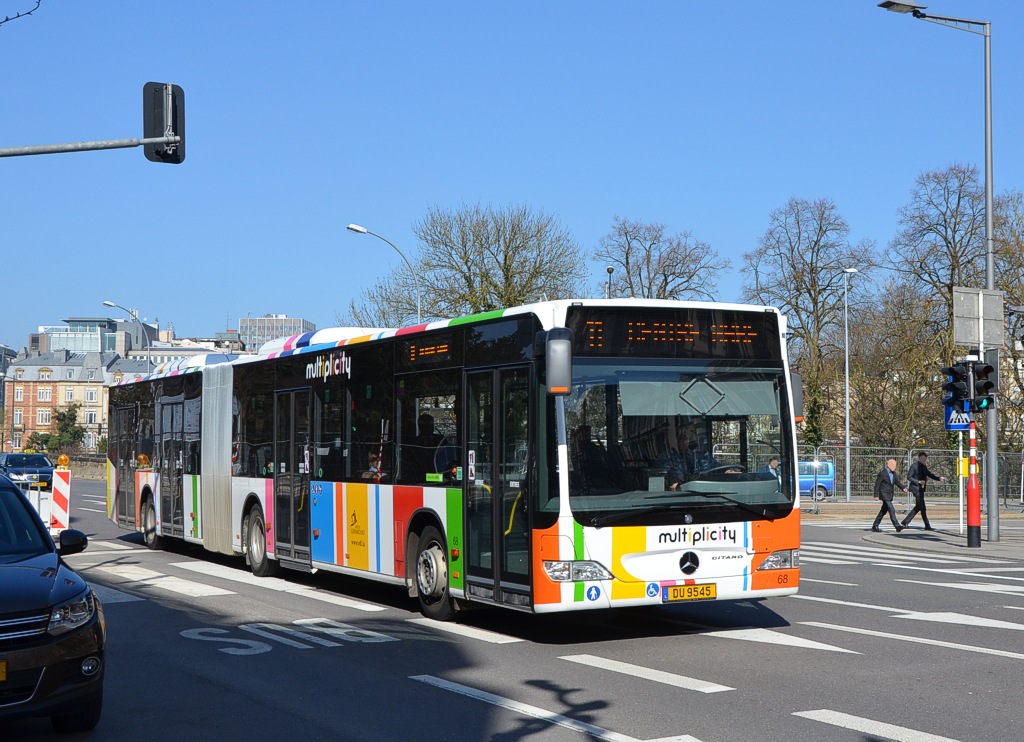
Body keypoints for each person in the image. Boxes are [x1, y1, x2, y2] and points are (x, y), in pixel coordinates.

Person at [902, 451, 945, 530]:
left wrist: (938, 478)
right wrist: (918, 481)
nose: (924, 460)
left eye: (925, 459)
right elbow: (909, 477)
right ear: (919, 458)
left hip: (921, 489)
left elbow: (929, 474)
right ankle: (927, 525)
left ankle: (905, 521)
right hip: (916, 489)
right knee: (922, 507)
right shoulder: (914, 466)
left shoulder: (924, 467)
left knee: (918, 507)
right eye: (923, 459)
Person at [871, 458, 908, 532]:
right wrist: (876, 495)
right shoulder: (882, 473)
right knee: (891, 509)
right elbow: (877, 485)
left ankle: (875, 525)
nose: (895, 467)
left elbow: (897, 482)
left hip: (890, 495)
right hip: (884, 494)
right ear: (889, 465)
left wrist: (903, 488)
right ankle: (897, 526)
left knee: (883, 511)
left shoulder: (894, 474)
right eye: (893, 465)